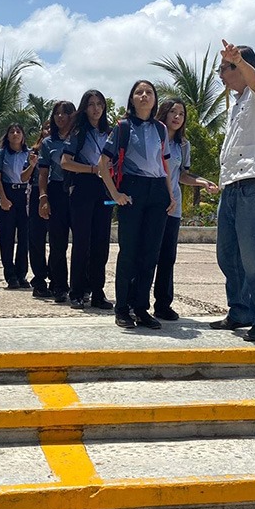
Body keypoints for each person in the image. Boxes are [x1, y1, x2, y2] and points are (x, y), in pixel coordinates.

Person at [209, 39, 255, 343]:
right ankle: (239, 311)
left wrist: (239, 60)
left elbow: (254, 79)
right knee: (227, 255)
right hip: (232, 186)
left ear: (239, 66)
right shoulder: (234, 105)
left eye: (224, 69)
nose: (221, 76)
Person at [99, 80, 175, 329]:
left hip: (157, 193)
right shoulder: (122, 127)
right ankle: (122, 308)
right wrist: (116, 194)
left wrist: (170, 195)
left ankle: (141, 307)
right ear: (132, 99)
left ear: (155, 100)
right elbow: (103, 164)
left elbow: (164, 166)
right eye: (139, 92)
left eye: (149, 92)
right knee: (129, 252)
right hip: (133, 189)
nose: (144, 96)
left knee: (150, 254)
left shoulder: (161, 129)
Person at [151, 98, 219, 320]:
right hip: (152, 204)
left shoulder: (183, 145)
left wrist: (202, 182)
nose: (177, 117)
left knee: (167, 257)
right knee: (146, 255)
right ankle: (136, 301)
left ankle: (163, 304)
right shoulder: (152, 138)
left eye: (181, 113)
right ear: (164, 114)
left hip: (173, 207)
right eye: (173, 112)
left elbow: (181, 174)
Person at [61, 90, 114, 311]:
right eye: (91, 104)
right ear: (85, 108)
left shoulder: (110, 132)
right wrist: (94, 169)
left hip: (106, 190)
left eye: (99, 104)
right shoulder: (78, 133)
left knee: (101, 243)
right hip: (84, 187)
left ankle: (97, 291)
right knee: (82, 242)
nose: (96, 109)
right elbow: (65, 162)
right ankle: (77, 291)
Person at [38, 101, 76, 302]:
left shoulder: (81, 137)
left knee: (82, 242)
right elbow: (43, 173)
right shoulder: (48, 143)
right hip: (57, 191)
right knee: (57, 243)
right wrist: (43, 197)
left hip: (79, 192)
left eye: (65, 113)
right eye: (57, 114)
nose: (61, 117)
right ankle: (59, 285)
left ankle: (81, 286)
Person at [0, 123, 38, 289]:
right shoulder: (1, 154)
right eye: (12, 131)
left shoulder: (29, 154)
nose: (15, 134)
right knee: (7, 236)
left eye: (18, 131)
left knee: (24, 237)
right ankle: (10, 274)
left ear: (23, 136)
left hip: (24, 195)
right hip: (8, 193)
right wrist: (2, 198)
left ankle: (21, 274)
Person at [27, 126, 50, 295]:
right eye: (46, 128)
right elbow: (23, 176)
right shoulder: (34, 151)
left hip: (58, 191)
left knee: (58, 240)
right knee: (36, 237)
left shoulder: (68, 144)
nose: (48, 130)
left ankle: (58, 278)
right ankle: (39, 279)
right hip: (37, 192)